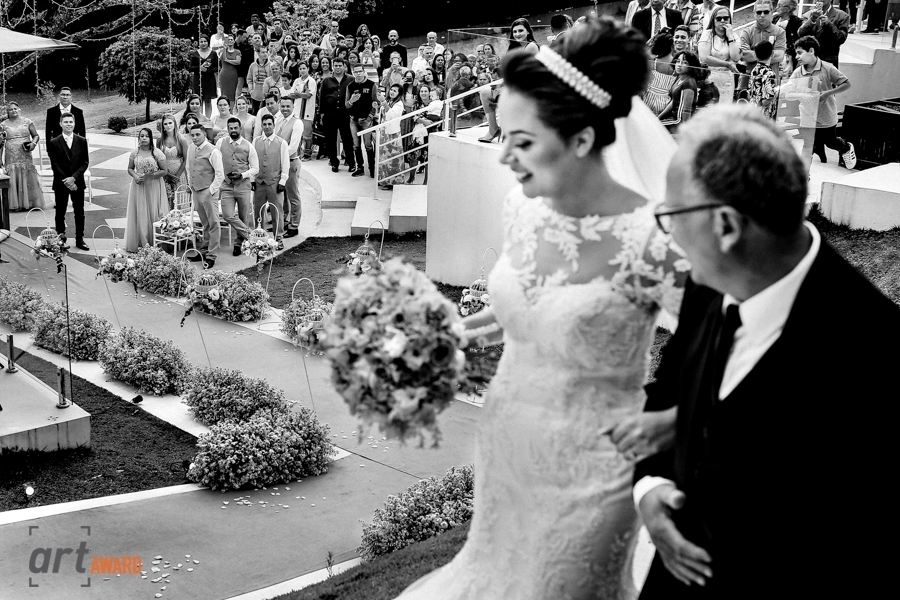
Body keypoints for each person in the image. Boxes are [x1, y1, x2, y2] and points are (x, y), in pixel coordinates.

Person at [393, 16, 687, 599]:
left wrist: (673, 422)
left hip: (593, 476)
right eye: (501, 134)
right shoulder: (524, 210)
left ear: (580, 140)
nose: (504, 157)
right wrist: (467, 328)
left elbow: (735, 350)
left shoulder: (653, 244)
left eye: (521, 141)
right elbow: (530, 307)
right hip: (505, 450)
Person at [632, 103, 899, 599]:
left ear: (727, 227)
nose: (663, 234)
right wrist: (648, 489)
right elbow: (671, 395)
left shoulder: (877, 358)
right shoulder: (710, 283)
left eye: (669, 216)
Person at [789, 35, 856, 167]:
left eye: (799, 53)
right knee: (808, 146)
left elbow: (846, 84)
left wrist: (828, 93)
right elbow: (789, 93)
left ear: (811, 51)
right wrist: (801, 95)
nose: (796, 56)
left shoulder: (827, 68)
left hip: (826, 116)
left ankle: (846, 148)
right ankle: (803, 173)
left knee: (831, 142)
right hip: (807, 116)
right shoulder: (797, 72)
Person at [45, 112, 90, 251]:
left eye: (71, 122)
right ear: (60, 124)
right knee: (60, 212)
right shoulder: (54, 142)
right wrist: (66, 180)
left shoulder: (82, 141)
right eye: (66, 122)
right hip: (61, 182)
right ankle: (60, 239)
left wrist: (73, 178)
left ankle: (79, 239)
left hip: (77, 182)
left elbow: (85, 162)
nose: (69, 124)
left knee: (79, 212)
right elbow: (54, 164)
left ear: (74, 124)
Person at [216, 117, 259, 256]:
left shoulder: (249, 146)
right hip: (227, 186)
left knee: (243, 216)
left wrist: (243, 175)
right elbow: (215, 163)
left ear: (240, 129)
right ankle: (251, 236)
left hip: (243, 185)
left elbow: (255, 168)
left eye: (236, 128)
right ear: (227, 129)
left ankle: (238, 243)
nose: (233, 130)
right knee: (228, 215)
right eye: (231, 128)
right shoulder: (220, 143)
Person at [185, 124, 225, 268]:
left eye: (198, 135)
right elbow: (189, 168)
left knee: (213, 223)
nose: (195, 137)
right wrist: (191, 185)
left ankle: (211, 255)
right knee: (204, 223)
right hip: (196, 190)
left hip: (208, 191)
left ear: (204, 134)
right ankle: (203, 251)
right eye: (192, 135)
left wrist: (211, 191)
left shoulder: (213, 151)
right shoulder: (191, 148)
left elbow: (220, 175)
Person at [123, 127, 167, 253]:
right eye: (141, 136)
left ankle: (155, 242)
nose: (144, 138)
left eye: (146, 136)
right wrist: (136, 176)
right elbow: (130, 168)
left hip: (154, 185)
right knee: (141, 212)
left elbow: (164, 171)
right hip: (139, 186)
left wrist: (150, 176)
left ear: (150, 137)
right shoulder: (134, 153)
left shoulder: (157, 153)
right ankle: (141, 242)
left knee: (154, 211)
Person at [252, 113, 288, 250]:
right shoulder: (256, 141)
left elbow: (285, 164)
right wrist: (252, 179)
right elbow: (253, 162)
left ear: (274, 125)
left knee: (276, 211)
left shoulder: (281, 143)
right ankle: (259, 238)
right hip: (260, 181)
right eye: (264, 124)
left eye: (269, 124)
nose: (267, 127)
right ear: (261, 126)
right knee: (258, 211)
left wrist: (283, 181)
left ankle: (278, 238)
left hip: (274, 182)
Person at [1, 101, 44, 211]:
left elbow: (35, 136)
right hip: (11, 154)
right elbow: (0, 143)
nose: (13, 111)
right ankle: (16, 204)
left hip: (25, 153)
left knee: (26, 174)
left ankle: (29, 202)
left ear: (19, 109)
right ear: (8, 112)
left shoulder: (27, 121)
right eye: (11, 109)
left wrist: (33, 144)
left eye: (15, 108)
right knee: (13, 175)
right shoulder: (3, 124)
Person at [319, 57, 356, 174]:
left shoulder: (351, 79)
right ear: (332, 66)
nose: (338, 67)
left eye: (340, 65)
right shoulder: (326, 81)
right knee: (330, 139)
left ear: (344, 66)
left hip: (345, 114)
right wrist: (321, 114)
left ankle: (351, 162)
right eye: (336, 65)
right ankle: (334, 163)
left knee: (347, 139)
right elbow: (322, 98)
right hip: (330, 114)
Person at [698, 6, 740, 102]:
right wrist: (727, 64)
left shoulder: (735, 37)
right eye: (719, 18)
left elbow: (736, 57)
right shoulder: (707, 34)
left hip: (727, 80)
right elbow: (704, 57)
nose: (722, 21)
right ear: (713, 20)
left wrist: (730, 36)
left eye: (726, 18)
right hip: (709, 77)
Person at [275, 97, 304, 237]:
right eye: (283, 106)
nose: (285, 109)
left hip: (291, 162)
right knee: (283, 194)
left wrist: (276, 155)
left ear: (293, 107)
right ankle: (286, 221)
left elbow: (292, 147)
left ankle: (294, 225)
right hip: (280, 163)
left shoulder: (297, 123)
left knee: (293, 195)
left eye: (288, 106)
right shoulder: (279, 120)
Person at [346, 63, 378, 178]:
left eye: (360, 71)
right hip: (353, 120)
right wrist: (351, 101)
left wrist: (370, 116)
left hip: (366, 120)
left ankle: (372, 168)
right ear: (353, 73)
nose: (358, 74)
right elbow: (347, 105)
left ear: (364, 72)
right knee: (356, 146)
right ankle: (360, 168)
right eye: (356, 72)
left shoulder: (371, 85)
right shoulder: (350, 86)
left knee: (368, 145)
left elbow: (375, 102)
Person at [376, 84, 409, 191]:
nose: (392, 92)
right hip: (384, 132)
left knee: (392, 158)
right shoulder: (389, 101)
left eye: (395, 91)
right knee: (384, 158)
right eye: (391, 90)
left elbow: (392, 116)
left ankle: (393, 181)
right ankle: (384, 179)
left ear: (399, 93)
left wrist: (384, 103)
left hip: (392, 134)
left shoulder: (399, 104)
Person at [798, 0, 850, 66]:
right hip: (808, 61)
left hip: (828, 61)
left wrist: (828, 24)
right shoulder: (808, 15)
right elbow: (800, 33)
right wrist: (812, 19)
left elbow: (841, 38)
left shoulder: (842, 16)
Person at [739, 0, 787, 72]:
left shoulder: (780, 32)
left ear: (772, 12)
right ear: (754, 14)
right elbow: (743, 56)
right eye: (759, 12)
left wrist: (752, 52)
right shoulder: (746, 32)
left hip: (771, 77)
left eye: (766, 12)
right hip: (749, 77)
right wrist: (769, 54)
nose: (762, 15)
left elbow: (779, 56)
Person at [659, 51, 701, 130]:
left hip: (679, 122)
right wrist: (658, 117)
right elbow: (674, 102)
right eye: (678, 61)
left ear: (691, 66)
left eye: (685, 62)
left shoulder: (688, 83)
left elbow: (687, 110)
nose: (679, 65)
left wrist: (685, 132)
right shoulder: (680, 79)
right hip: (674, 119)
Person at [642, 30, 678, 116]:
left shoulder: (654, 61)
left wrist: (655, 36)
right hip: (664, 103)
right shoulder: (676, 64)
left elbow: (643, 51)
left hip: (648, 100)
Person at [157, 114, 188, 209]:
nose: (168, 126)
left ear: (174, 124)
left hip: (179, 174)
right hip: (165, 174)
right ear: (162, 126)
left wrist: (177, 176)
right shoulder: (159, 140)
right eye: (165, 124)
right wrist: (167, 174)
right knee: (166, 201)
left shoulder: (181, 139)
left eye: (170, 123)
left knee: (180, 202)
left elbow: (186, 160)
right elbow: (157, 159)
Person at [289, 61, 317, 161]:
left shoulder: (311, 81)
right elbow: (291, 95)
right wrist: (302, 94)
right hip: (297, 110)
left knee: (307, 134)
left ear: (308, 69)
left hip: (308, 111)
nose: (302, 70)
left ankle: (308, 153)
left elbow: (309, 95)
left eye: (304, 68)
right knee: (297, 134)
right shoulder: (297, 81)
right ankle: (298, 153)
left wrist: (298, 94)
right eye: (300, 69)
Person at [748, 40, 778, 119]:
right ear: (772, 54)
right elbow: (769, 97)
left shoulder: (754, 70)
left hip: (753, 110)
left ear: (755, 55)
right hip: (765, 114)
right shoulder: (770, 73)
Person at [191, 35, 219, 117]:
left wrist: (207, 70)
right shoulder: (195, 54)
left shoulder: (213, 54)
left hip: (209, 79)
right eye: (201, 42)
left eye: (205, 41)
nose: (203, 43)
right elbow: (190, 68)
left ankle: (208, 119)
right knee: (198, 100)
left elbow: (217, 67)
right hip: (198, 79)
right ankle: (199, 118)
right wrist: (199, 68)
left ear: (208, 42)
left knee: (208, 100)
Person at [773, 0, 804, 71]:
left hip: (787, 58)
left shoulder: (797, 22)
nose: (777, 8)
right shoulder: (774, 19)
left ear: (789, 8)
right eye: (777, 5)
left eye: (780, 5)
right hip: (773, 55)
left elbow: (797, 41)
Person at [248, 47, 275, 114]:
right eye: (263, 52)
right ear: (258, 53)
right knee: (255, 114)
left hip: (267, 96)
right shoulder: (253, 65)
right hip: (255, 95)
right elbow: (249, 79)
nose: (265, 54)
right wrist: (251, 90)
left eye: (266, 52)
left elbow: (274, 79)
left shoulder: (271, 65)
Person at [219, 34, 242, 103]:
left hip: (233, 74)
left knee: (232, 94)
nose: (230, 41)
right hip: (224, 74)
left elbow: (238, 62)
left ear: (234, 41)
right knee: (224, 93)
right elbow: (222, 58)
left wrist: (228, 60)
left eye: (231, 39)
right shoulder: (223, 50)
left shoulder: (237, 51)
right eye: (228, 39)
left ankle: (232, 111)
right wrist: (224, 48)